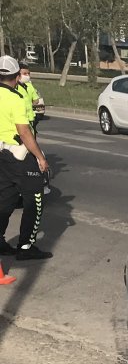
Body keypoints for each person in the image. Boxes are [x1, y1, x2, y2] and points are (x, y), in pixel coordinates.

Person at [0, 55, 52, 262]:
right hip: (20, 154)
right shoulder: (15, 98)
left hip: (2, 156)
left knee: (5, 199)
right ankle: (26, 245)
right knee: (35, 199)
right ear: (16, 76)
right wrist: (40, 157)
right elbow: (24, 131)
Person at [16, 63, 44, 135]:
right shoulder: (14, 86)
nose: (27, 75)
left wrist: (30, 106)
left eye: (28, 73)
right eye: (24, 73)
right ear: (18, 75)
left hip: (30, 119)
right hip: (19, 119)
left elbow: (36, 99)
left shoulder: (29, 85)